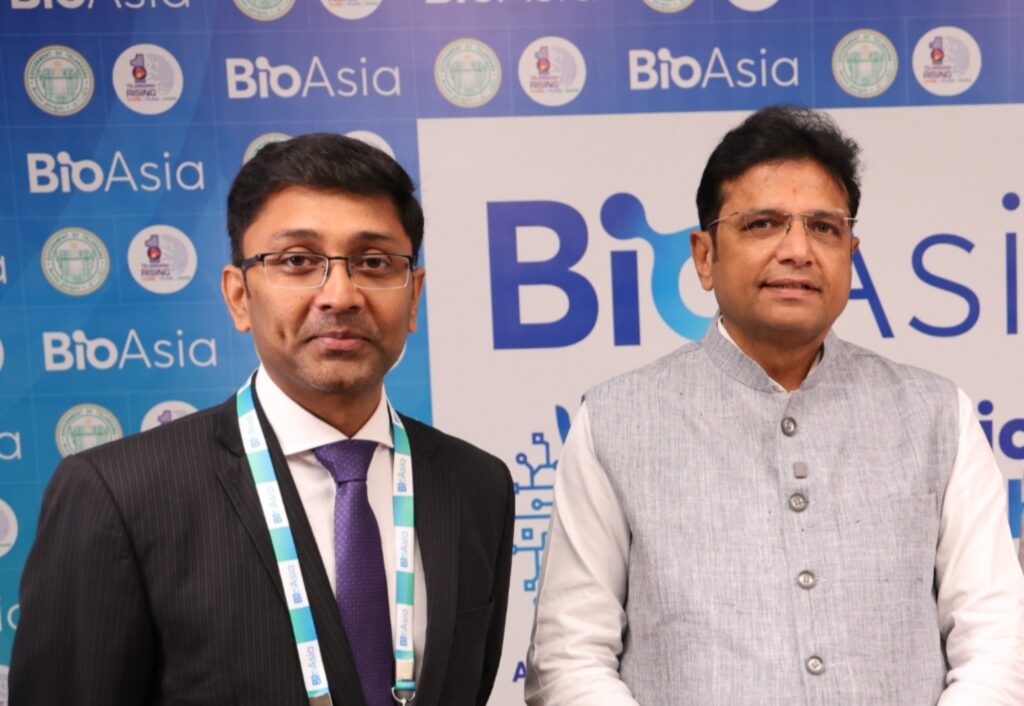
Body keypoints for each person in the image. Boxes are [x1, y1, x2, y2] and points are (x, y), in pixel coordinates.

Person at [525, 106, 1024, 705]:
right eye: (763, 224)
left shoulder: (939, 416)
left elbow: (997, 641)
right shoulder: (616, 422)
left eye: (824, 227)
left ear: (851, 252)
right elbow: (569, 658)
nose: (798, 250)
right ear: (704, 256)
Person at [11, 134, 514, 706]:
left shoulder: (476, 485)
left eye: (374, 263)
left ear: (414, 295)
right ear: (238, 296)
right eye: (298, 261)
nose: (341, 295)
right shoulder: (120, 494)